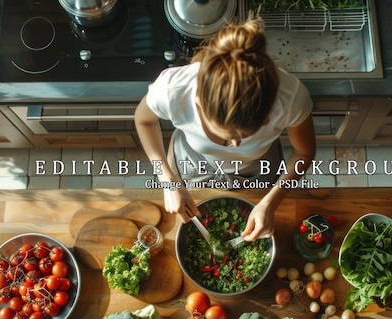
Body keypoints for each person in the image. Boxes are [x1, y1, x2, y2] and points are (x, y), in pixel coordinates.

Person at [135, 15, 316, 241]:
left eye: (247, 134)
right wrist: (168, 181)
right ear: (199, 102)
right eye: (227, 136)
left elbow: (304, 152)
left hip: (259, 167)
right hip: (193, 161)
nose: (236, 146)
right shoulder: (175, 90)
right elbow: (143, 120)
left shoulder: (289, 98)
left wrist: (270, 203)